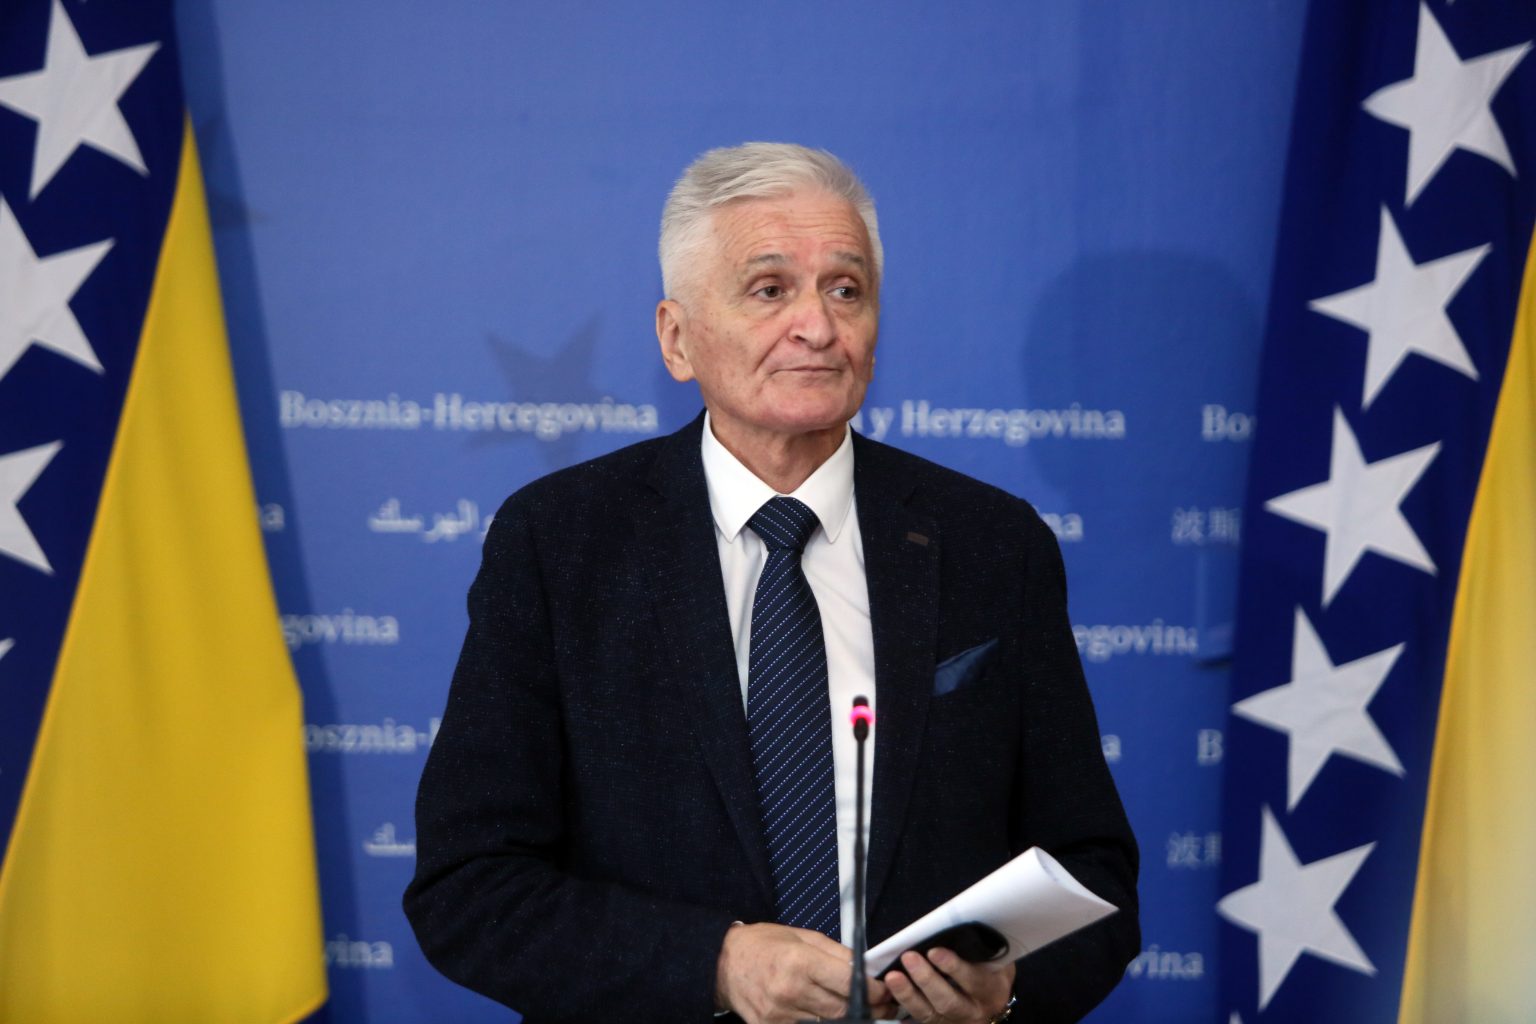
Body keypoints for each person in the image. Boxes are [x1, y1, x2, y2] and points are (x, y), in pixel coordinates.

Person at [404, 142, 1139, 1024]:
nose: (818, 327)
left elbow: (1093, 870)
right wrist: (715, 965)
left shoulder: (992, 544)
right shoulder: (560, 542)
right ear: (677, 339)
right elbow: (471, 885)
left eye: (846, 290)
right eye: (769, 290)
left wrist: (1008, 985)